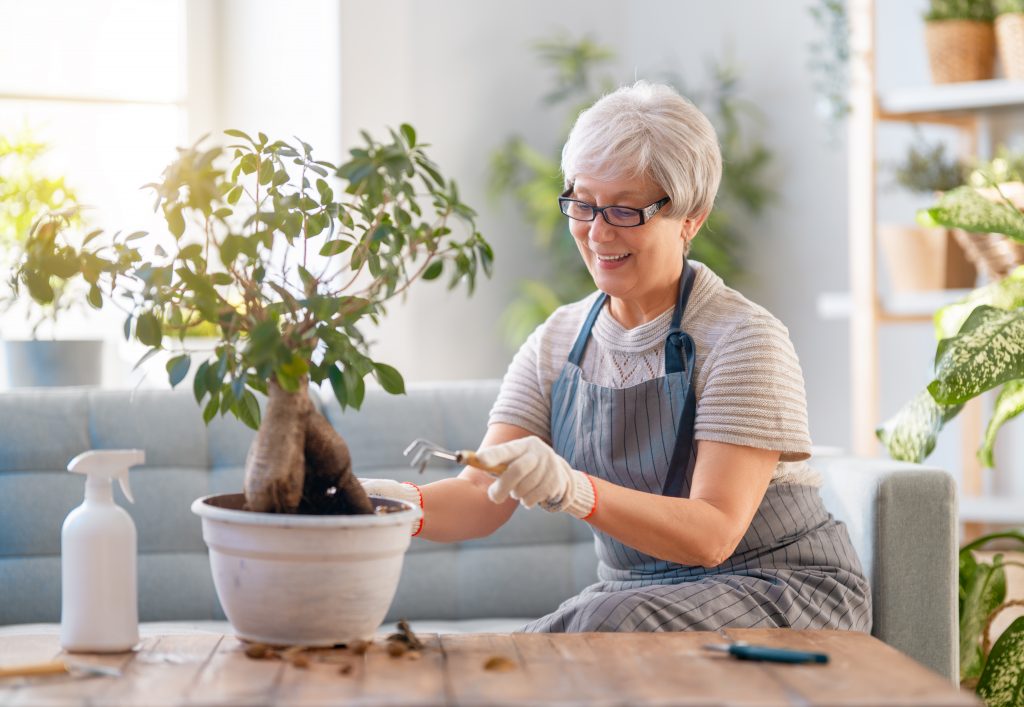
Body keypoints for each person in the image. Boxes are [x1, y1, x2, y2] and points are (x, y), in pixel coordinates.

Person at [362, 81, 871, 633]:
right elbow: (479, 497)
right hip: (639, 598)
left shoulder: (744, 340)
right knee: (525, 650)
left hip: (779, 587)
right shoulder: (556, 342)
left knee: (593, 625)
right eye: (583, 204)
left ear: (691, 218)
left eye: (625, 210)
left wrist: (574, 490)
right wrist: (389, 503)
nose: (597, 232)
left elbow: (712, 533)